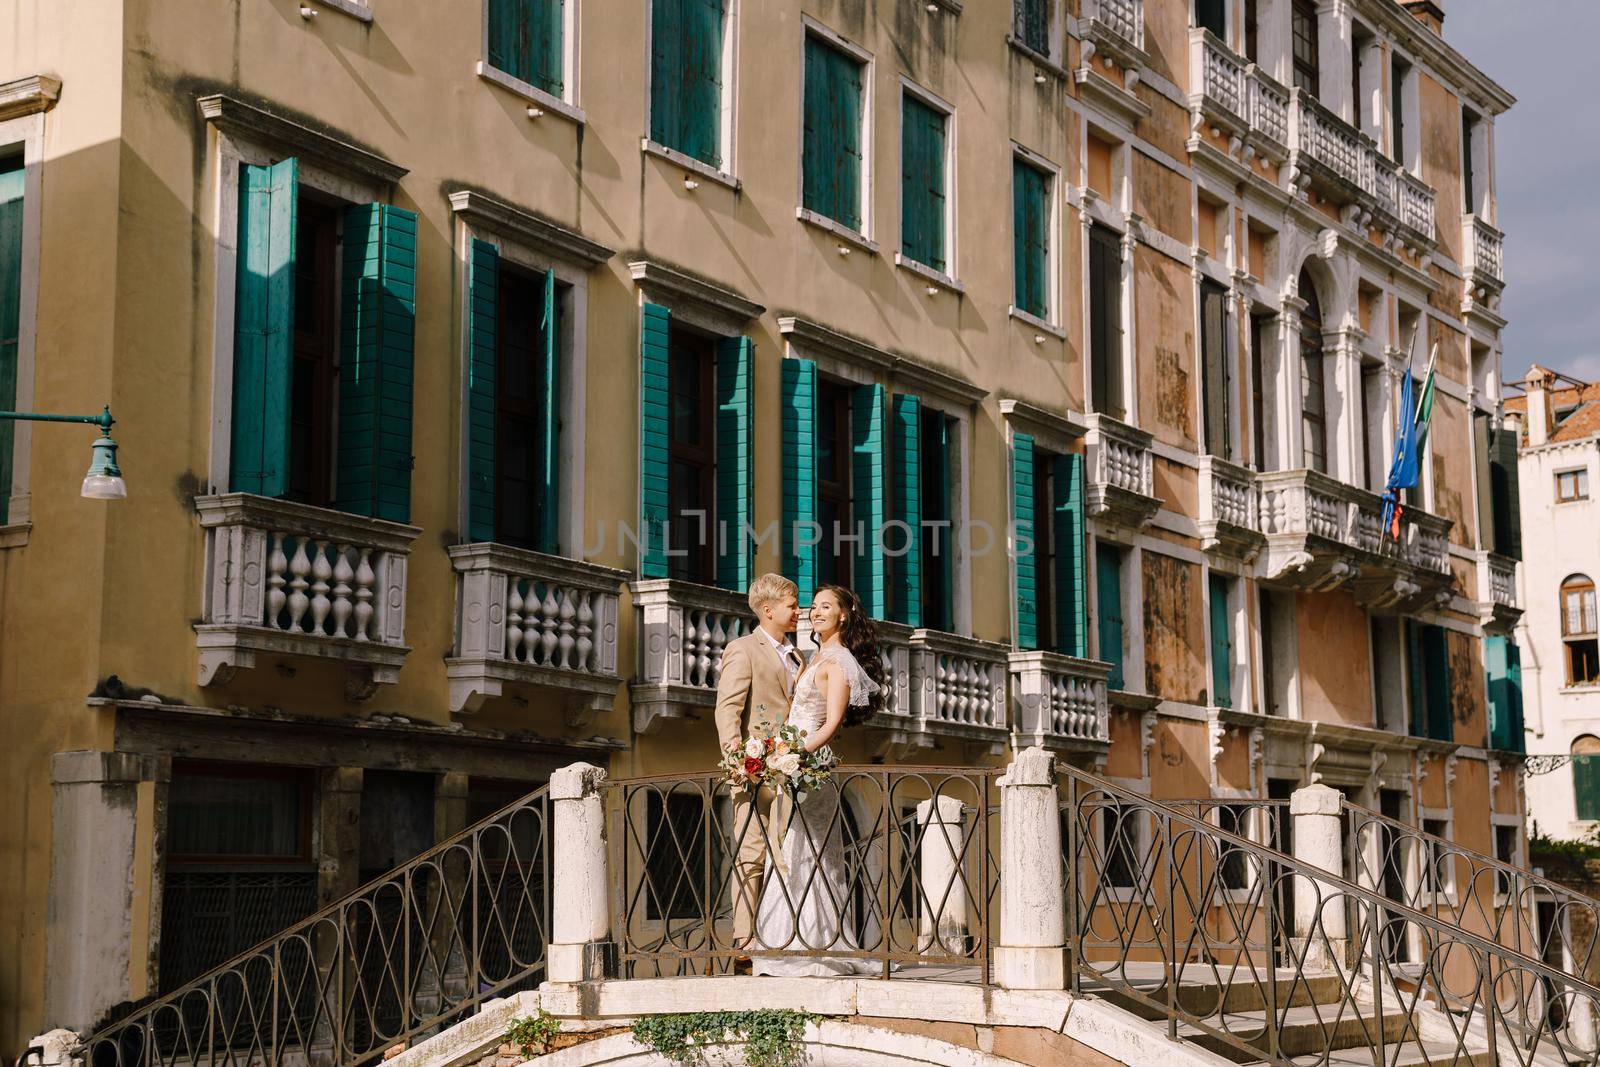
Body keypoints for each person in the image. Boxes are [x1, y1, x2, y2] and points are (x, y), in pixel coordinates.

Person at [751, 585, 885, 977]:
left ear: (844, 615)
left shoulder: (838, 660)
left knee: (810, 854)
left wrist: (795, 755)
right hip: (793, 765)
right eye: (813, 606)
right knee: (793, 851)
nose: (816, 612)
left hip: (809, 769)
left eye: (826, 607)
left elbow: (830, 723)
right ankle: (786, 942)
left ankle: (814, 945)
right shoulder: (814, 656)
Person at [713, 573, 803, 974]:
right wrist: (738, 761)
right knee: (752, 854)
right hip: (755, 771)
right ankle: (745, 940)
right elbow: (728, 708)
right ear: (768, 610)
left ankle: (785, 934)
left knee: (794, 854)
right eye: (792, 604)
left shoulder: (800, 656)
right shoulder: (742, 649)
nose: (798, 611)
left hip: (796, 772)